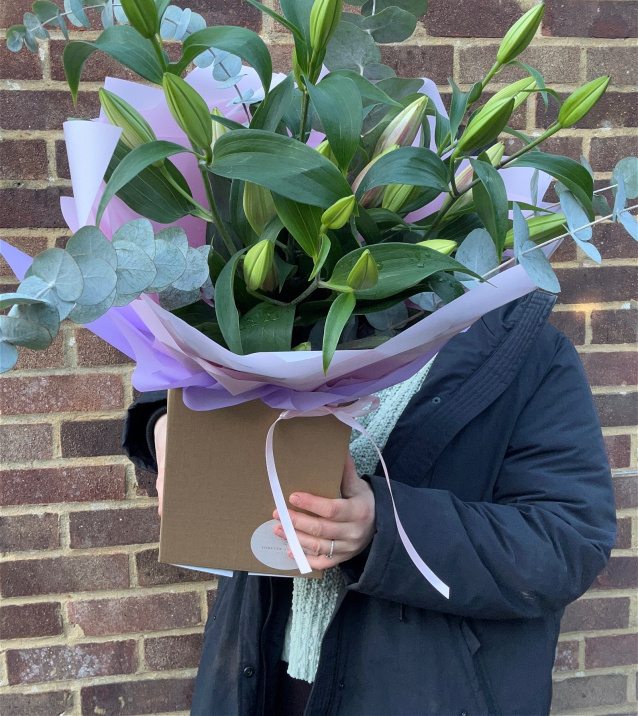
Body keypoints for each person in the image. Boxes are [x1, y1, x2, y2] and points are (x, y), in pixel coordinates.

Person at [122, 291, 617, 716]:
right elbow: (206, 386)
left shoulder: (530, 355)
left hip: (425, 689)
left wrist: (386, 528)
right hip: (259, 672)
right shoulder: (286, 306)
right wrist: (164, 424)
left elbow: (566, 542)